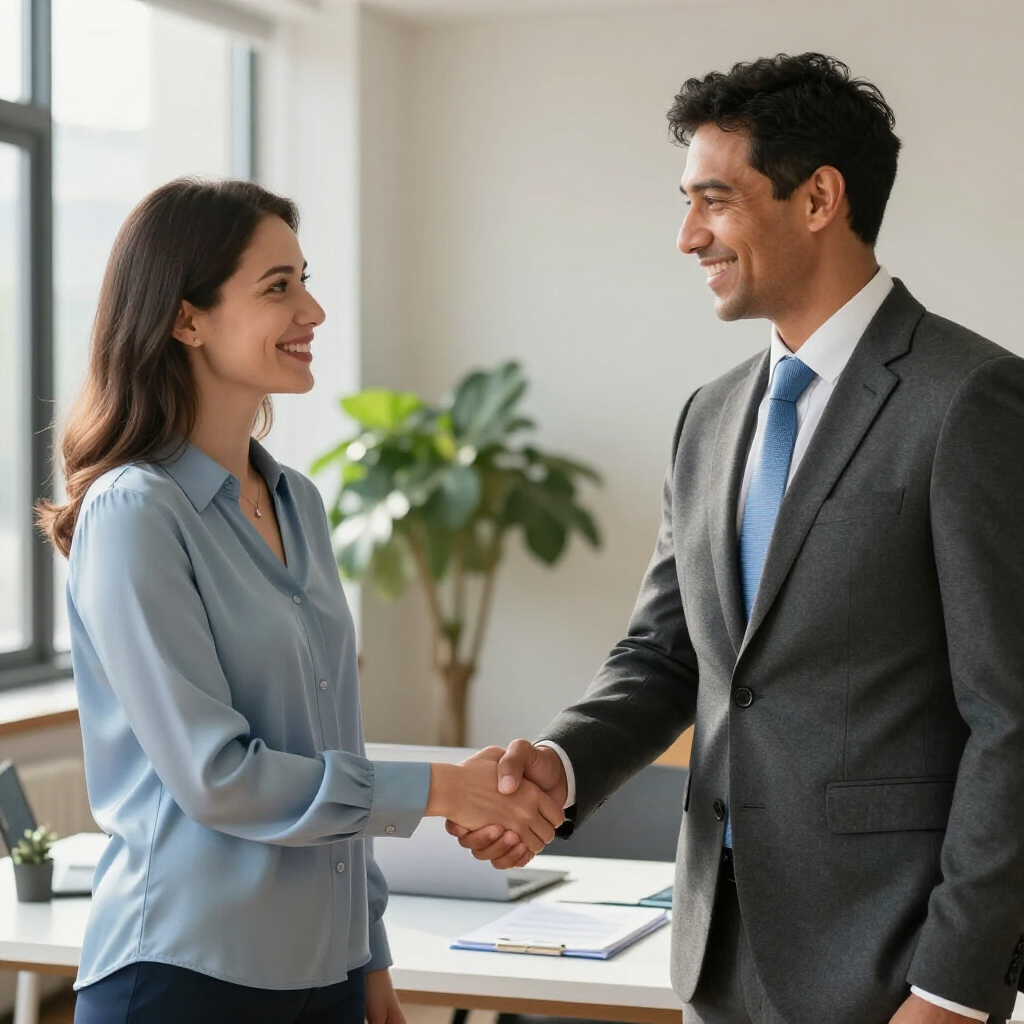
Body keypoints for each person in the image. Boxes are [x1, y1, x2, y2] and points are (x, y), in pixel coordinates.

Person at [450, 53, 1024, 1024]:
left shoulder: (968, 399)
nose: (685, 237)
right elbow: (665, 654)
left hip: (890, 965)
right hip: (717, 954)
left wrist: (953, 988)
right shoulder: (708, 418)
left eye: (713, 200)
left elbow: (1011, 718)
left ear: (818, 199)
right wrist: (565, 761)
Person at [37, 178, 563, 1024]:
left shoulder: (298, 504)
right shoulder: (137, 511)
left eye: (305, 280)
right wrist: (441, 789)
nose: (313, 311)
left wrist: (371, 955)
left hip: (327, 975)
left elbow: (329, 745)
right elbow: (219, 779)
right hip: (186, 975)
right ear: (186, 319)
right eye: (278, 287)